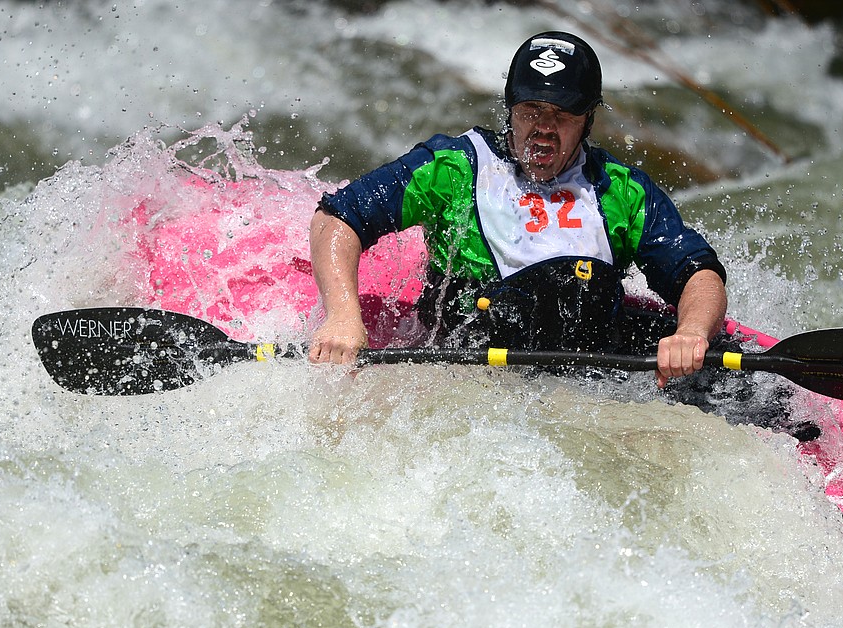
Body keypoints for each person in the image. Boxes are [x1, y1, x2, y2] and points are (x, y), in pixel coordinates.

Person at [307, 30, 728, 388]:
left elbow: (697, 272)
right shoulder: (453, 169)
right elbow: (338, 217)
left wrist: (690, 332)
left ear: (588, 120)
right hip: (476, 365)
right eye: (532, 111)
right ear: (510, 110)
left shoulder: (621, 191)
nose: (544, 128)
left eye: (562, 115)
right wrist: (343, 316)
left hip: (594, 371)